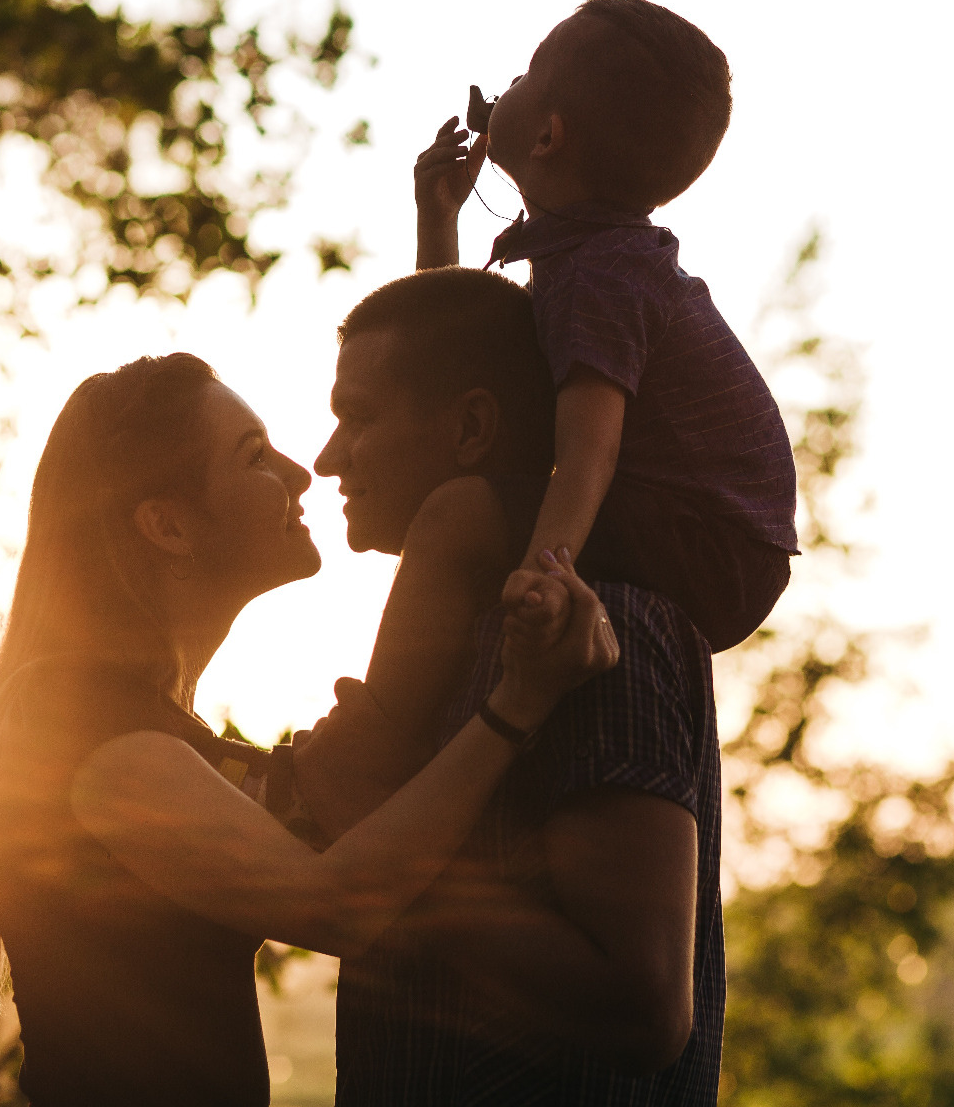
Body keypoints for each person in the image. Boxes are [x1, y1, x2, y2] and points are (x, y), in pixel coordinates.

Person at [0, 352, 618, 1107]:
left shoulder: (146, 723)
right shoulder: (82, 722)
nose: (300, 474)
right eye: (256, 456)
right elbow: (339, 901)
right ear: (168, 525)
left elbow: (334, 801)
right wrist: (518, 706)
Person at [287, 267, 728, 1102]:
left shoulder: (598, 635)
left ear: (473, 428)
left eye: (357, 418)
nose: (328, 456)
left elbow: (642, 1008)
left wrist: (383, 876)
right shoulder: (462, 637)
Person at [350, 0, 801, 771]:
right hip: (702, 532)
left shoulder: (601, 274)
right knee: (475, 493)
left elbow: (590, 445)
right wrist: (440, 221)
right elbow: (466, 380)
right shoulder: (584, 257)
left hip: (709, 540)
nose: (509, 81)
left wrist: (544, 568)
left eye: (527, 74)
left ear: (548, 135)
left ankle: (369, 747)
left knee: (459, 514)